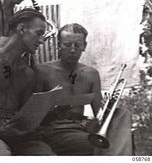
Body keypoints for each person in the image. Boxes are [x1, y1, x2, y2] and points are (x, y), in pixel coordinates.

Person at [0, 8, 55, 155]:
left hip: (14, 131)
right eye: (39, 33)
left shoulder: (29, 73)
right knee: (0, 154)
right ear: (21, 29)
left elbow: (25, 114)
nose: (41, 41)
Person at [35, 23, 133, 155]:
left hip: (82, 126)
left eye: (77, 45)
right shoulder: (43, 71)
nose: (73, 50)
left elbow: (99, 114)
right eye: (67, 45)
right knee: (93, 145)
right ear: (59, 44)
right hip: (56, 128)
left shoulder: (91, 74)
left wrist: (107, 106)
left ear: (84, 46)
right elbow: (35, 111)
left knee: (123, 113)